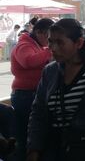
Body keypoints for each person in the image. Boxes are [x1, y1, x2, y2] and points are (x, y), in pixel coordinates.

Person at [27, 18, 85, 161]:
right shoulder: (50, 71)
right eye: (51, 41)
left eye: (60, 42)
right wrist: (34, 149)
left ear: (79, 43)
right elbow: (38, 111)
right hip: (54, 149)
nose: (53, 47)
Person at [10, 18, 53, 161]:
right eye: (49, 36)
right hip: (25, 95)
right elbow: (28, 61)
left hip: (34, 94)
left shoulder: (38, 45)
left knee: (35, 133)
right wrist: (50, 51)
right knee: (27, 134)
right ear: (39, 32)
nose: (50, 40)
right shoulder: (24, 45)